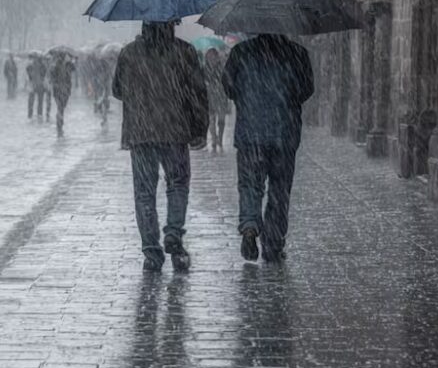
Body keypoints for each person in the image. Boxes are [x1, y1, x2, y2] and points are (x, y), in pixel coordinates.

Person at [112, 22, 208, 272]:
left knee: (144, 192)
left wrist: (141, 92)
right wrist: (200, 128)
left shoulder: (129, 53)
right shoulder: (184, 52)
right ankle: (173, 232)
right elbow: (198, 92)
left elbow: (117, 90)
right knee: (177, 184)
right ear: (172, 24)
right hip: (175, 131)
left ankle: (151, 251)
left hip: (141, 132)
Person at [223, 33, 314, 263]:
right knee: (279, 191)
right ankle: (273, 243)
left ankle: (250, 225)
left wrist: (248, 97)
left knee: (250, 185)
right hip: (284, 133)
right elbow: (306, 89)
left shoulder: (241, 52)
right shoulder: (297, 53)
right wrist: (285, 99)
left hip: (250, 133)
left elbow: (228, 86)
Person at [202, 47, 230, 150]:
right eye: (210, 57)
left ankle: (220, 139)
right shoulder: (204, 69)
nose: (212, 59)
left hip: (221, 96)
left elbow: (227, 81)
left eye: (214, 57)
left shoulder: (222, 68)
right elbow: (201, 81)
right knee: (211, 119)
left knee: (221, 120)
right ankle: (214, 139)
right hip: (209, 96)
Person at [49, 53, 74, 137]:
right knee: (60, 106)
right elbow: (52, 78)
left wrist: (71, 60)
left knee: (62, 106)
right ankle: (59, 122)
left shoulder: (68, 65)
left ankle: (59, 119)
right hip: (60, 90)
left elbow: (73, 69)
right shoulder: (55, 66)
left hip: (64, 89)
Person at [26, 54, 48, 120]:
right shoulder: (32, 65)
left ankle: (36, 114)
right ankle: (34, 114)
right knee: (34, 101)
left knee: (36, 101)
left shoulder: (40, 66)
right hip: (35, 85)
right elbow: (28, 72)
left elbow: (44, 74)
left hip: (37, 85)